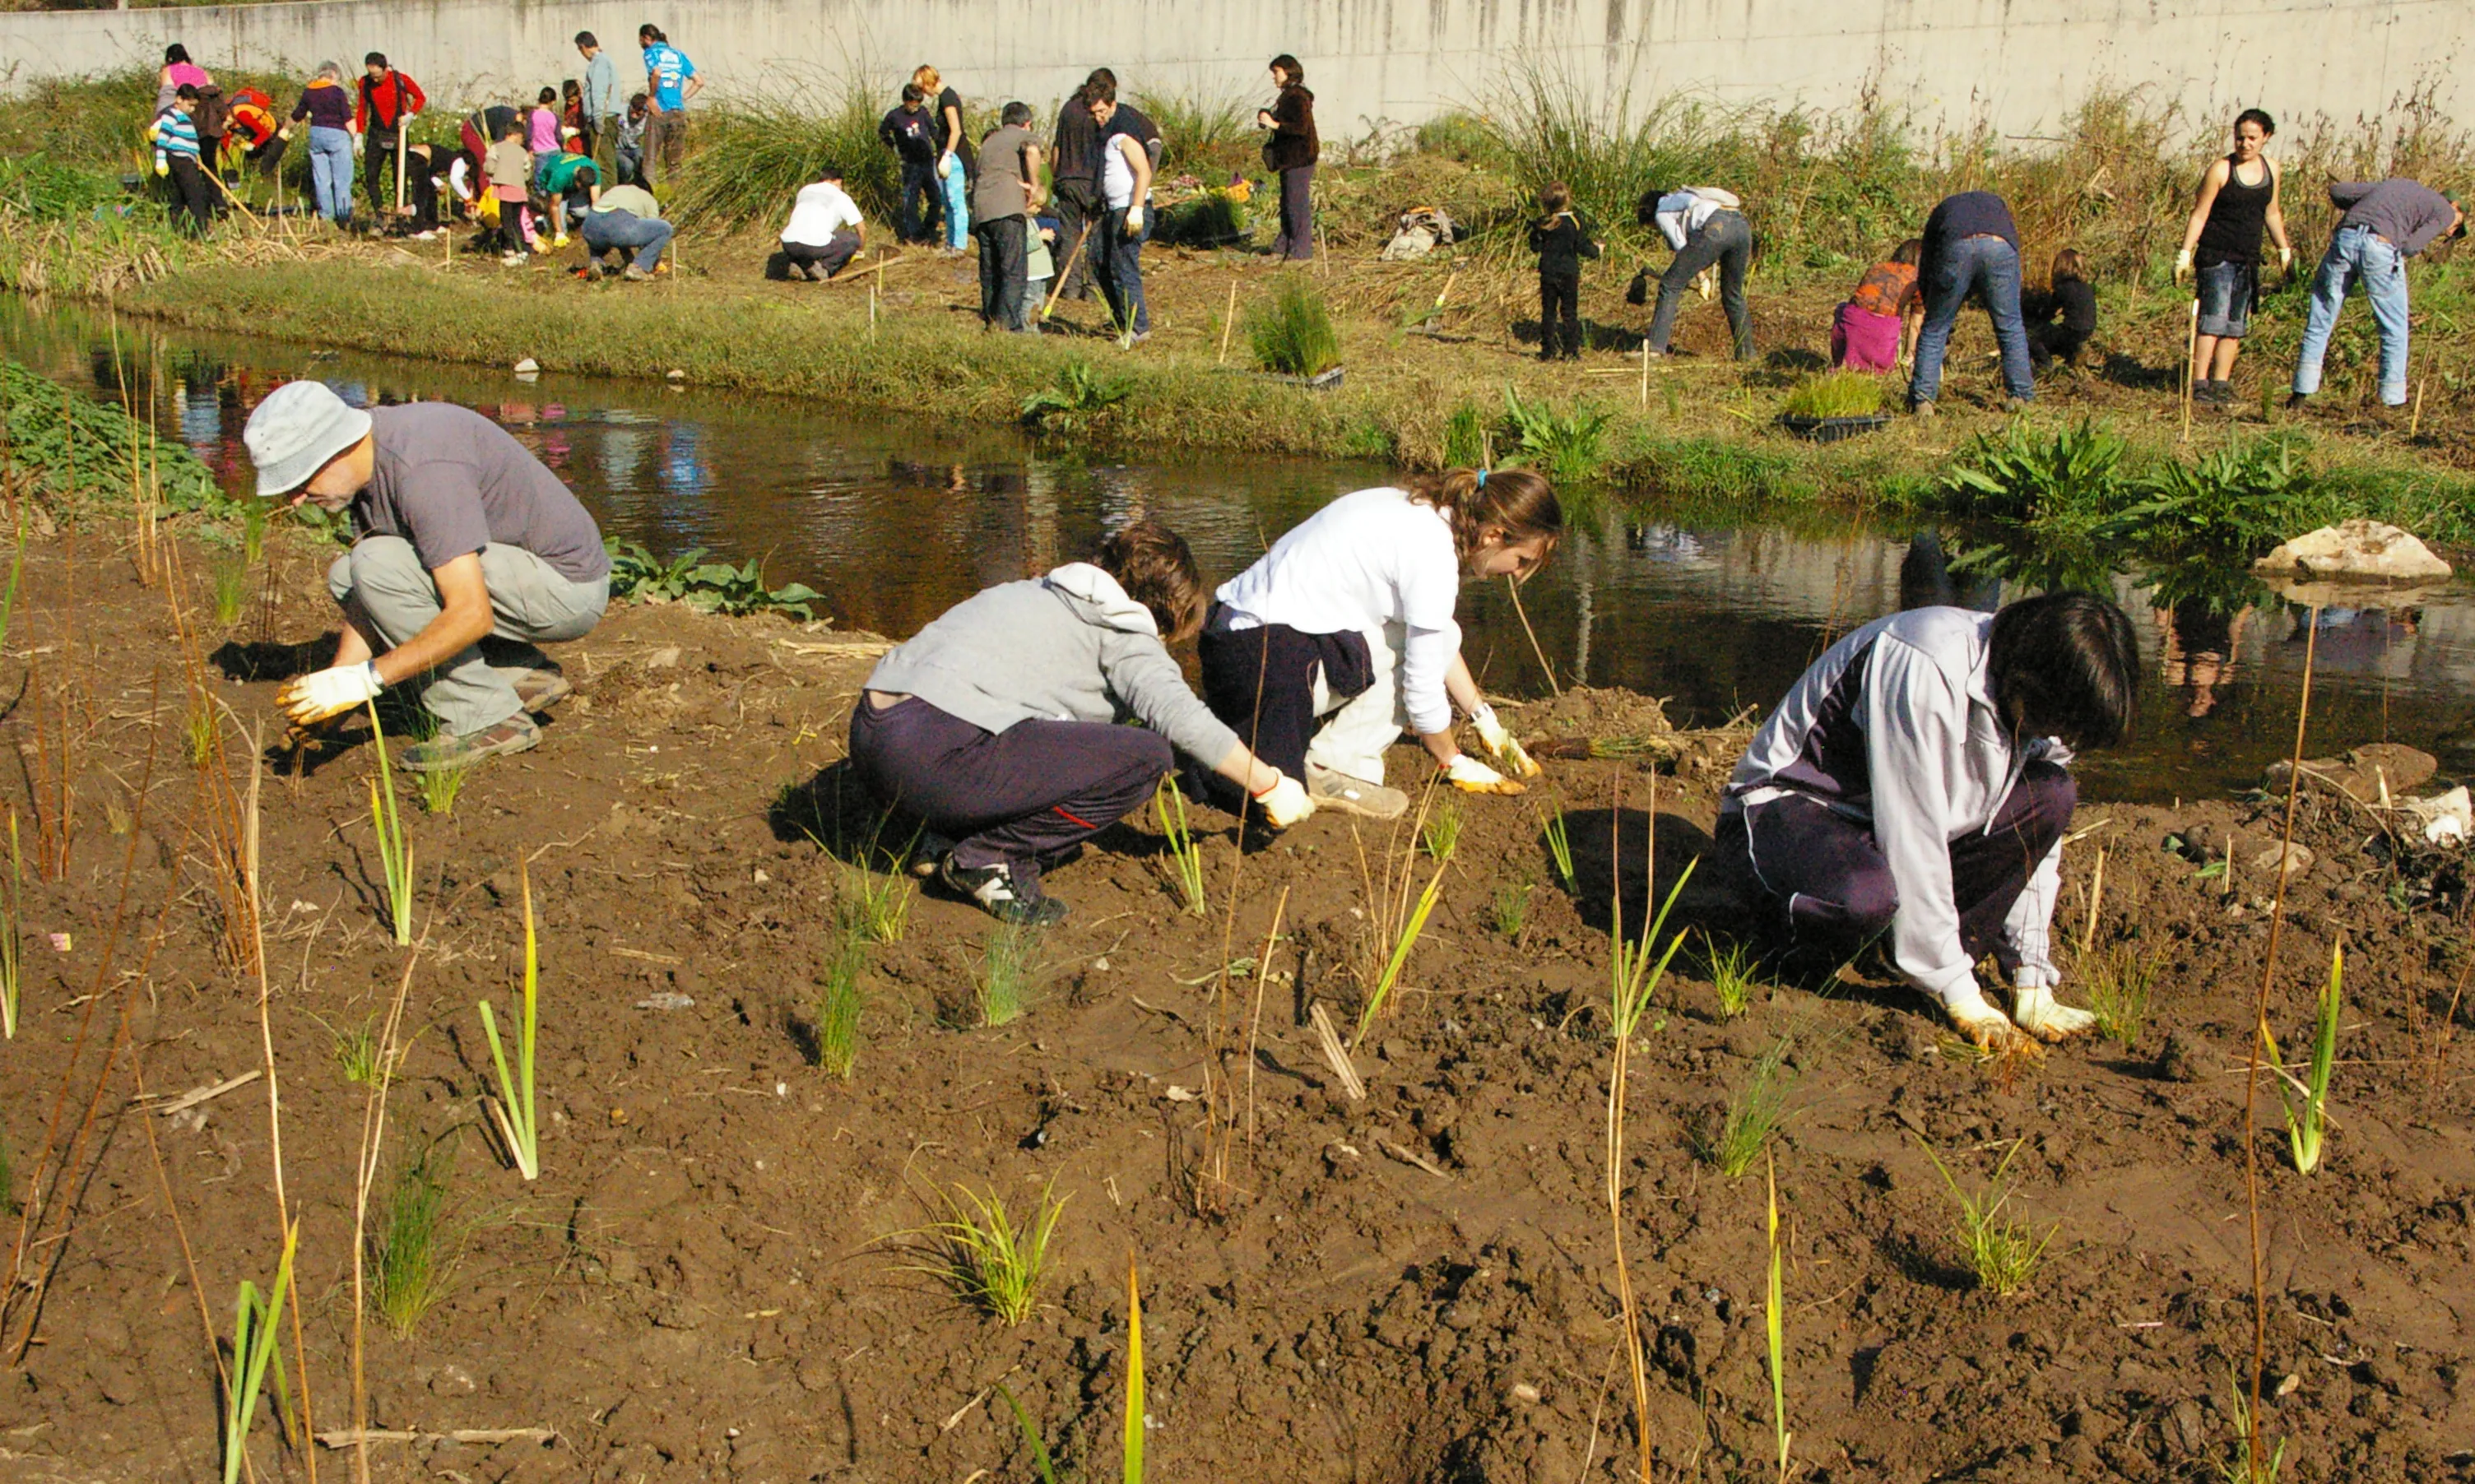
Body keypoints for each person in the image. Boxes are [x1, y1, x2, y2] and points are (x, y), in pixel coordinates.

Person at [1713, 592, 2138, 1050]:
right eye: (2053, 723)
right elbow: (1913, 834)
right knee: (1862, 897)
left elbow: (2033, 844)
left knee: (2051, 793)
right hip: (1793, 809)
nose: (2055, 737)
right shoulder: (1925, 664)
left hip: (1883, 826)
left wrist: (2031, 980)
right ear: (2030, 681)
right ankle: (1799, 952)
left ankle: (1899, 953)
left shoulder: (2036, 704)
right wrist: (1961, 997)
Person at [850, 520, 1314, 925]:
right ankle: (991, 861)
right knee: (1146, 756)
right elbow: (1181, 718)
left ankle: (941, 837)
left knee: (1039, 742)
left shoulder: (1030, 591)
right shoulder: (1125, 631)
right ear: (1169, 610)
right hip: (933, 760)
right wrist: (1269, 784)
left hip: (872, 738)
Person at [242, 381, 609, 772]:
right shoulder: (366, 467)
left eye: (300, 481)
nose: (296, 499)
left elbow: (472, 615)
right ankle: (519, 673)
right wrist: (336, 697)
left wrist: (367, 680)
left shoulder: (421, 467)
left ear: (335, 450)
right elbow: (371, 598)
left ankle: (489, 718)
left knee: (373, 563)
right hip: (514, 576)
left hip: (568, 589)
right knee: (350, 575)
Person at [1196, 470, 1559, 821]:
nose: (1515, 572)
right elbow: (1421, 688)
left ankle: (1333, 757)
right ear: (1494, 535)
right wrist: (1453, 760)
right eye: (1522, 560)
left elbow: (1439, 639)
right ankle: (1337, 766)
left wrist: (1485, 720)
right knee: (1423, 664)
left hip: (1231, 645)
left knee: (1439, 636)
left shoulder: (1413, 510)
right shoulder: (1433, 554)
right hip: (1263, 669)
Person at [2288, 179, 2465, 412]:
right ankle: (2393, 401)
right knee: (2394, 327)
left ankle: (2300, 393)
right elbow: (2412, 247)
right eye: (2456, 226)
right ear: (2455, 206)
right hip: (2380, 246)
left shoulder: (2398, 185)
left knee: (2321, 317)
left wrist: (2370, 209)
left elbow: (2338, 191)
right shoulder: (2445, 211)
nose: (2450, 230)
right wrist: (2392, 243)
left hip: (2345, 239)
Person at [2175, 109, 2295, 406]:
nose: (2245, 144)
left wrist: (2284, 251)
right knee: (2213, 319)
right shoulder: (2221, 170)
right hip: (2216, 256)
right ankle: (2199, 382)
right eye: (2240, 138)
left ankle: (2221, 382)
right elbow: (2200, 213)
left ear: (2266, 137)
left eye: (2253, 138)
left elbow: (2272, 211)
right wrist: (2185, 253)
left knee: (2235, 324)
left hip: (2248, 259)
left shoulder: (2272, 170)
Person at [1909, 189, 2033, 415]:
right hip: (2001, 247)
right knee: (2010, 325)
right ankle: (2020, 397)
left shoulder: (1943, 210)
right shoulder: (1997, 202)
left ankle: (1923, 402)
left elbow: (1927, 260)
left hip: (1957, 245)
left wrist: (1931, 302)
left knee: (1935, 328)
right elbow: (2013, 243)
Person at [1640, 184, 1753, 360]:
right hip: (1742, 226)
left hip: (1717, 227)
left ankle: (1654, 348)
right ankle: (1747, 354)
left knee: (1670, 284)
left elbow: (1681, 247)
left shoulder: (1662, 211)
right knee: (1733, 294)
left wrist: (1702, 279)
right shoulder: (1685, 198)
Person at [1088, 79, 1155, 341]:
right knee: (1098, 261)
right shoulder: (1105, 134)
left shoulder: (1124, 133)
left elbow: (1144, 171)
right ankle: (1121, 319)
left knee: (1123, 267)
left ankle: (1138, 328)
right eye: (1094, 113)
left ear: (1113, 105)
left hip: (1130, 209)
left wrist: (1137, 208)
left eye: (1102, 112)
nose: (1099, 118)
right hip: (1112, 209)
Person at [972, 101, 1044, 332]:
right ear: (1027, 123)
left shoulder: (989, 142)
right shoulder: (1023, 136)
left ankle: (991, 321)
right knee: (1013, 271)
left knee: (990, 271)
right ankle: (1008, 328)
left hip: (982, 212)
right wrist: (1034, 185)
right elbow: (1033, 151)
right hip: (1008, 210)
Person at [1528, 182, 1599, 362]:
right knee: (1569, 312)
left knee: (1548, 311)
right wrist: (1597, 250)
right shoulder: (1574, 222)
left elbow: (1535, 246)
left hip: (1548, 271)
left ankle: (1548, 351)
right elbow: (1583, 246)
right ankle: (1571, 351)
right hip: (1568, 272)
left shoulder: (1542, 223)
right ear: (1568, 200)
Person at [1258, 54, 1317, 262]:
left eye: (1276, 72)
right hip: (1291, 158)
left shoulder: (1297, 96)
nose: (1274, 77)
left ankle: (1301, 251)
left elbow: (1301, 128)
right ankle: (1283, 245)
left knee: (1296, 203)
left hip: (1299, 158)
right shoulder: (1289, 95)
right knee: (1287, 203)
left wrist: (1275, 125)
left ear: (1288, 71)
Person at [1832, 239, 1923, 372]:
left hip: (1852, 322)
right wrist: (1910, 356)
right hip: (1882, 332)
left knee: (1842, 307)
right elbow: (1915, 325)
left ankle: (1842, 361)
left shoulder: (1878, 267)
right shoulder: (1917, 279)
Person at [1048, 83, 1103, 299]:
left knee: (1070, 235)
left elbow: (1057, 148)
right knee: (1096, 235)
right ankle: (1092, 288)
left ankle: (1070, 288)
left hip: (1066, 179)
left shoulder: (1068, 109)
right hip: (1090, 181)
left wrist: (1055, 177)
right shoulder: (1096, 112)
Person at [355, 53, 425, 218]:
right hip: (376, 134)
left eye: (378, 76)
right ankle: (380, 215)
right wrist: (358, 135)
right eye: (372, 75)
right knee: (371, 175)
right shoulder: (364, 83)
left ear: (386, 69)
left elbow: (420, 97)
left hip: (398, 133)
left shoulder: (400, 80)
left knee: (400, 177)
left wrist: (410, 115)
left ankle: (401, 216)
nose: (375, 80)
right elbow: (361, 109)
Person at [290, 62, 357, 225]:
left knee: (322, 179)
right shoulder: (337, 92)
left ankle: (326, 215)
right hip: (337, 136)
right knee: (342, 179)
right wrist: (356, 138)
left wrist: (284, 130)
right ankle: (343, 216)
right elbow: (347, 117)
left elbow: (297, 115)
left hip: (316, 135)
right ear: (333, 75)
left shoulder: (309, 91)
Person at [913, 65, 970, 254]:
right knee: (947, 201)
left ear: (929, 82)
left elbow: (956, 130)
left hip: (954, 155)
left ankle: (960, 244)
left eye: (923, 88)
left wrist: (947, 155)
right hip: (946, 154)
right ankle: (951, 243)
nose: (923, 93)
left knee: (956, 201)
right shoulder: (943, 98)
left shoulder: (948, 97)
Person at [779, 162, 866, 281]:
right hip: (813, 246)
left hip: (788, 243)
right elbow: (861, 228)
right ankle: (824, 268)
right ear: (838, 181)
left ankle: (797, 264)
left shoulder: (805, 190)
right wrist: (860, 252)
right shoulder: (841, 196)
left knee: (804, 239)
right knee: (853, 240)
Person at [878, 85, 941, 244]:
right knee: (910, 200)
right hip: (910, 164)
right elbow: (883, 132)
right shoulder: (895, 116)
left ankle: (929, 227)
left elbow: (933, 131)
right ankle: (915, 233)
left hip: (927, 161)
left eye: (917, 104)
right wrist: (894, 147)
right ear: (905, 101)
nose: (915, 108)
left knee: (936, 197)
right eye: (912, 104)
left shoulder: (923, 113)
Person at [638, 26, 701, 186]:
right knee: (675, 162)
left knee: (650, 160)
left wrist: (651, 97)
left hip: (660, 111)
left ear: (646, 38)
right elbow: (699, 81)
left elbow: (657, 73)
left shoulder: (651, 53)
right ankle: (674, 197)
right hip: (678, 111)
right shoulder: (679, 55)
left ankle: (651, 196)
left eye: (640, 39)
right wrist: (681, 99)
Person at [151, 86, 213, 237]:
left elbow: (190, 142)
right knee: (196, 193)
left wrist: (196, 158)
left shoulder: (184, 117)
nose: (192, 109)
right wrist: (160, 160)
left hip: (188, 159)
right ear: (179, 99)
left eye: (194, 106)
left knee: (179, 196)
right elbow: (163, 138)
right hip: (179, 158)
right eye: (190, 105)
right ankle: (199, 231)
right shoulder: (171, 115)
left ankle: (178, 229)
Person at [578, 181, 671, 281]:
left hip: (589, 225)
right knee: (665, 229)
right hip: (618, 224)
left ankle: (596, 262)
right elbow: (651, 234)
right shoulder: (649, 198)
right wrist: (654, 261)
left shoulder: (615, 190)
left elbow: (617, 234)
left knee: (603, 231)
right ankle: (638, 268)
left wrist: (629, 260)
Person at [2025, 248, 2097, 373]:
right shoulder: (2086, 287)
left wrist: (2037, 319)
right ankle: (2073, 354)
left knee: (2035, 341)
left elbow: (2049, 312)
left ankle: (2045, 365)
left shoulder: (2063, 288)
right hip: (2089, 328)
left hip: (2072, 328)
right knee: (2063, 339)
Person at [483, 115, 537, 259]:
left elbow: (489, 167)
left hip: (505, 189)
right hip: (520, 190)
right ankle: (522, 249)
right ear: (517, 135)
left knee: (506, 221)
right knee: (517, 220)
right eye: (522, 139)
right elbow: (527, 172)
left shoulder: (496, 148)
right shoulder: (522, 152)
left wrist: (496, 173)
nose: (522, 141)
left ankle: (510, 249)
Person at [577, 34, 621, 185]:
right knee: (604, 161)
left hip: (604, 118)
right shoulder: (603, 61)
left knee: (603, 164)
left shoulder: (599, 63)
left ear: (582, 47)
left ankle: (607, 201)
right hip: (605, 117)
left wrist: (598, 120)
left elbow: (599, 92)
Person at [539, 133, 601, 242]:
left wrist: (598, 226)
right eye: (583, 187)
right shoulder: (560, 176)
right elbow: (554, 206)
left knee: (583, 213)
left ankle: (574, 215)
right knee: (560, 228)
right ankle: (544, 219)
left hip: (571, 187)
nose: (584, 190)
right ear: (577, 181)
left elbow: (596, 201)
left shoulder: (594, 169)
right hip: (553, 187)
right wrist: (559, 233)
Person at [157, 44, 211, 117]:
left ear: (169, 57)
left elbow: (167, 94)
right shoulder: (201, 71)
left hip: (180, 111)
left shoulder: (168, 70)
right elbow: (211, 87)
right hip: (204, 111)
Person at [527, 87, 562, 182]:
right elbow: (559, 137)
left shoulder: (533, 114)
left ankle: (541, 196)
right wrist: (563, 147)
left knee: (541, 179)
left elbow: (528, 134)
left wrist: (529, 149)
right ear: (553, 102)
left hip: (540, 152)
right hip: (555, 150)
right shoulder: (555, 117)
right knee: (554, 179)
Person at [614, 94, 648, 187]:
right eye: (632, 111)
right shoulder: (621, 113)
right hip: (618, 148)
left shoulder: (647, 120)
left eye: (638, 113)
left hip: (634, 147)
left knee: (641, 157)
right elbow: (618, 122)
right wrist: (621, 123)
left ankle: (638, 181)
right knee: (627, 165)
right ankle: (623, 184)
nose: (634, 115)